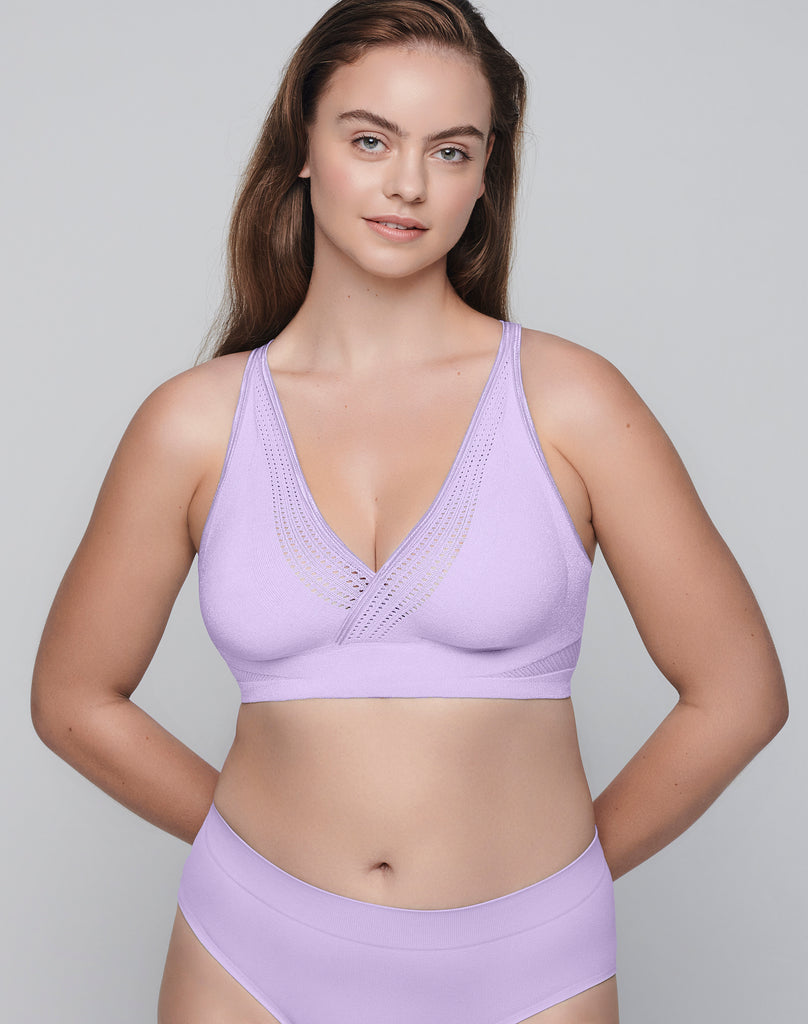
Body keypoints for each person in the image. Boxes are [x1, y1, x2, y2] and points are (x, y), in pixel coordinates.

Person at [30, 1, 788, 1021]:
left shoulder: (571, 403)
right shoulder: (193, 424)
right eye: (370, 140)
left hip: (528, 959)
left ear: (485, 174)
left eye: (450, 150)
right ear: (304, 146)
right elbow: (73, 697)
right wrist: (250, 852)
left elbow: (739, 693)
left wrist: (559, 884)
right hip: (246, 947)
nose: (408, 185)